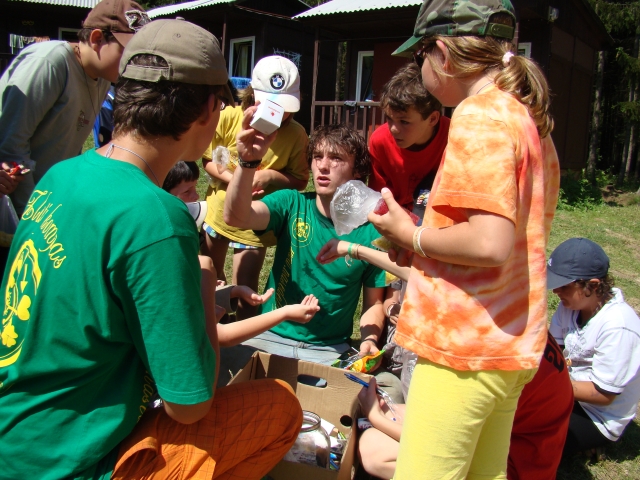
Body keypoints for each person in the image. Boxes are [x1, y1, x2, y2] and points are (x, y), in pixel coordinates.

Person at [0, 19, 302, 479]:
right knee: (280, 408)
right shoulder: (157, 218)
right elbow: (191, 404)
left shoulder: (62, 174)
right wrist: (204, 280)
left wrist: (246, 161)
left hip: (18, 437)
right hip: (72, 463)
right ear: (208, 109)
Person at [365, 0, 561, 477]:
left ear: (443, 54)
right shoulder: (526, 117)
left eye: (420, 56)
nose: (419, 67)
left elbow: (490, 243)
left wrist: (413, 235)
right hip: (508, 344)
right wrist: (424, 245)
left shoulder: (479, 115)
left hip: (463, 349)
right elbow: (514, 233)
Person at [319, 243, 573, 480]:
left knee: (373, 448)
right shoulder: (510, 321)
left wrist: (375, 417)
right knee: (388, 413)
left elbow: (441, 439)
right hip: (509, 439)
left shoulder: (489, 356)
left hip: (511, 468)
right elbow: (424, 279)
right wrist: (353, 249)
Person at [221, 124, 387, 381]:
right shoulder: (292, 203)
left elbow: (374, 303)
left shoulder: (370, 234)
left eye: (336, 158)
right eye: (317, 156)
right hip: (270, 335)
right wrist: (247, 163)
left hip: (328, 350)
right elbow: (236, 216)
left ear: (357, 171)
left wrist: (369, 340)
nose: (323, 166)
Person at [0, 0, 149, 216]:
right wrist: (31, 213)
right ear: (97, 39)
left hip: (53, 197)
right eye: (128, 52)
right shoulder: (49, 62)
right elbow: (11, 145)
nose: (133, 62)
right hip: (22, 207)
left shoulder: (103, 76)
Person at [201, 55, 309, 320]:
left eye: (285, 107)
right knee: (210, 280)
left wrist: (270, 176)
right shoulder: (228, 117)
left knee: (247, 291)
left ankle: (244, 336)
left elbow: (299, 180)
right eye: (271, 104)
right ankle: (215, 329)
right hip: (219, 212)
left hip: (254, 222)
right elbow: (209, 161)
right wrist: (239, 178)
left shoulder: (296, 134)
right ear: (252, 94)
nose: (278, 113)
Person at [548, 237, 640, 457]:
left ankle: (590, 440)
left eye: (564, 286)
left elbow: (603, 394)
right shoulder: (570, 305)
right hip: (568, 392)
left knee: (527, 436)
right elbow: (552, 350)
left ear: (593, 285)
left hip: (597, 415)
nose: (556, 291)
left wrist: (549, 387)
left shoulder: (619, 326)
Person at [368, 62, 450, 217]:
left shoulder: (453, 136)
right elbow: (378, 200)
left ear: (432, 118)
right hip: (396, 218)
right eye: (389, 118)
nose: (393, 129)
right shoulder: (380, 141)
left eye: (404, 122)